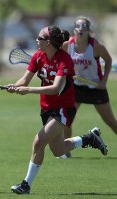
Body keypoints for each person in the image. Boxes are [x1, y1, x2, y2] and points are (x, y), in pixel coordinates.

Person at [6, 26, 108, 194]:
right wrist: (13, 86)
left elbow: (55, 88)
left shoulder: (64, 60)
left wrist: (28, 90)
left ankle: (26, 185)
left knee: (39, 141)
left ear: (49, 42)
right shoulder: (38, 56)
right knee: (58, 150)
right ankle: (89, 139)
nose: (37, 40)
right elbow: (24, 80)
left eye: (40, 38)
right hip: (46, 107)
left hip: (64, 108)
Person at [61, 16, 117, 158]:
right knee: (67, 120)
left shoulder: (95, 46)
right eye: (78, 29)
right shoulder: (67, 45)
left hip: (95, 88)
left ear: (88, 31)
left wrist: (104, 81)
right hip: (76, 87)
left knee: (110, 121)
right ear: (74, 30)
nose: (81, 32)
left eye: (84, 30)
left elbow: (109, 60)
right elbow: (61, 62)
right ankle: (65, 151)